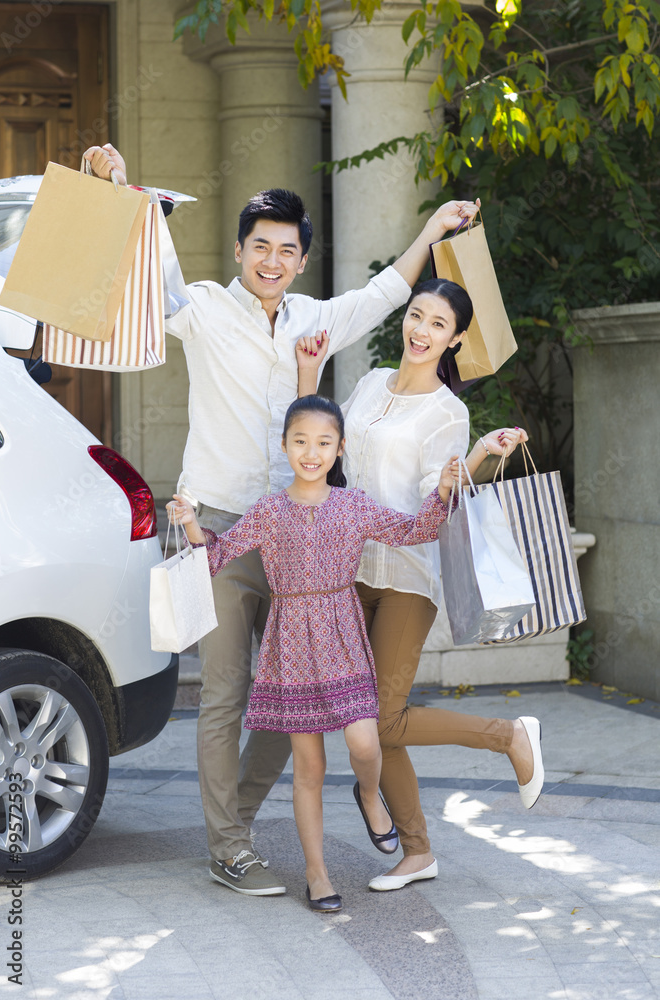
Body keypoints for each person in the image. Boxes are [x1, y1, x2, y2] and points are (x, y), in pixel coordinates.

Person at [84, 142, 481, 895]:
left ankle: (227, 822)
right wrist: (113, 188)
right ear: (239, 251)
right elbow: (149, 277)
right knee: (227, 690)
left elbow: (387, 292)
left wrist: (431, 231)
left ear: (300, 260)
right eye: (259, 245)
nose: (271, 259)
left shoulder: (315, 318)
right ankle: (230, 846)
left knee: (287, 702)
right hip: (224, 523)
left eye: (286, 249)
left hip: (306, 531)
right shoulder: (201, 308)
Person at [297, 277, 544, 892]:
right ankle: (417, 851)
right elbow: (323, 445)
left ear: (455, 339)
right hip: (348, 571)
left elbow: (442, 487)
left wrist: (479, 457)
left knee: (382, 719)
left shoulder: (448, 411)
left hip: (406, 575)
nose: (422, 330)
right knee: (373, 713)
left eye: (438, 324)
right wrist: (307, 376)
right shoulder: (368, 383)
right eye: (417, 316)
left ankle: (509, 735)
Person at [167, 394, 460, 910]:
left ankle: (370, 796)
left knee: (365, 744)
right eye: (300, 441)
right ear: (284, 446)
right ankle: (317, 872)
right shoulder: (269, 512)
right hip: (292, 646)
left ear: (340, 449)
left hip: (343, 637)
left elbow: (417, 530)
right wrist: (190, 521)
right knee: (309, 768)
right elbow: (216, 557)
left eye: (324, 442)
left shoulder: (353, 505)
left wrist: (442, 489)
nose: (311, 451)